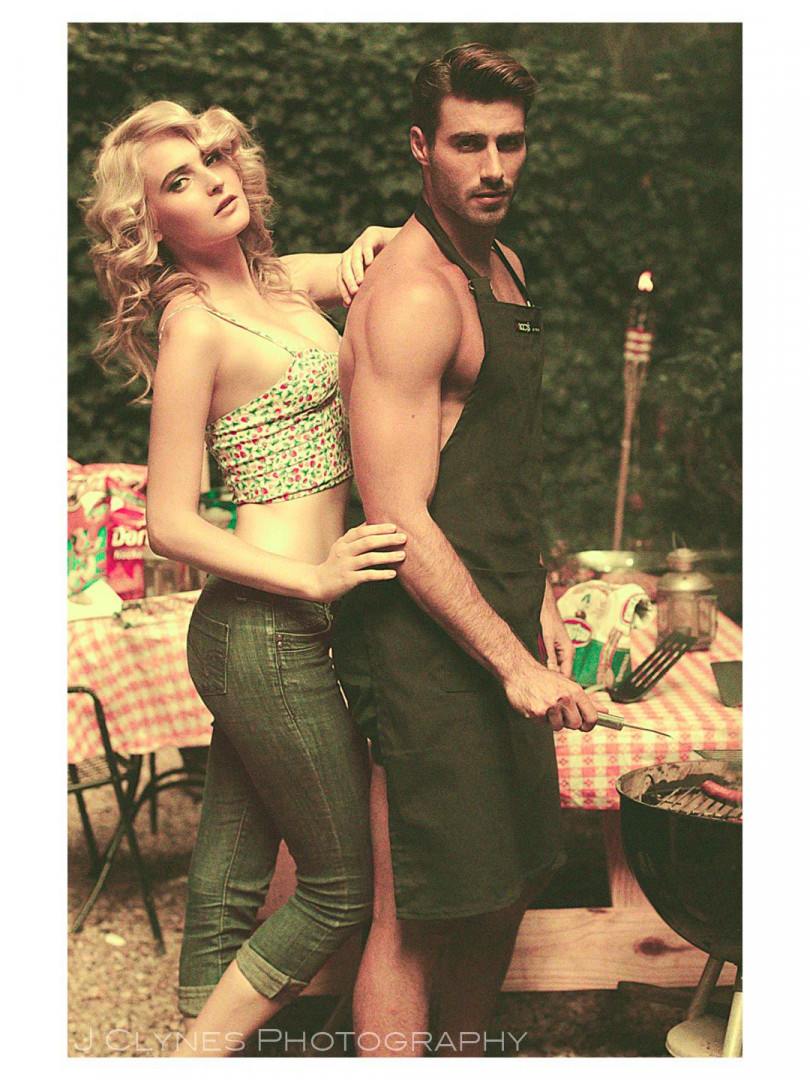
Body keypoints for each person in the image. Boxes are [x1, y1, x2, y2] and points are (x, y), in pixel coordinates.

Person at [83, 100, 406, 1057]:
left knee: (230, 870)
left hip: (277, 634)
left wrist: (374, 243)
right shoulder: (194, 325)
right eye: (178, 180)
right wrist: (316, 578)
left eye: (213, 158)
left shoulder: (277, 281)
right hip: (262, 627)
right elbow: (169, 523)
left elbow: (370, 263)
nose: (213, 181)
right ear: (151, 224)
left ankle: (206, 1027)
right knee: (341, 887)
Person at [331, 43, 600, 1057]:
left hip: (500, 618)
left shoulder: (504, 265)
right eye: (467, 143)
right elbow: (396, 516)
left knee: (509, 881)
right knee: (417, 915)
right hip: (422, 643)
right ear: (421, 146)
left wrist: (540, 599)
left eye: (510, 143)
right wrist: (512, 664)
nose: (493, 168)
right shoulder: (412, 295)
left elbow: (495, 461)